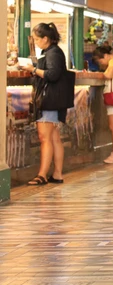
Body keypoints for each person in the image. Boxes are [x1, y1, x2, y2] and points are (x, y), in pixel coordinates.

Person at [26, 23, 75, 186]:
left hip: (50, 100)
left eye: (37, 39)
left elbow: (52, 75)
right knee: (54, 138)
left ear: (46, 38)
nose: (37, 42)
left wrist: (32, 70)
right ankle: (57, 174)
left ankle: (42, 175)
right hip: (55, 100)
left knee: (45, 138)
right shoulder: (54, 52)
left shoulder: (53, 53)